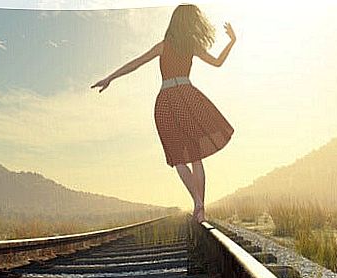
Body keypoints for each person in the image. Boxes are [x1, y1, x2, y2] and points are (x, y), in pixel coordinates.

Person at [91, 4, 236, 223]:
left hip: (166, 101)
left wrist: (110, 77)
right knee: (195, 156)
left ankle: (196, 201)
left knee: (178, 158)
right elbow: (217, 62)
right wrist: (232, 42)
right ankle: (201, 207)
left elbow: (135, 64)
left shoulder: (164, 45)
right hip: (187, 97)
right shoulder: (192, 46)